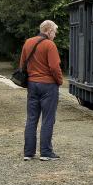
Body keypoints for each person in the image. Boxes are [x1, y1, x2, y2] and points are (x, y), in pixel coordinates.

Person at [21, 20, 63, 161]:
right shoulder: (49, 45)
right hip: (48, 86)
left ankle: (28, 153)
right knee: (48, 119)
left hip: (32, 84)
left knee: (31, 118)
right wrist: (60, 81)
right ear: (49, 30)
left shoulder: (28, 42)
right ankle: (45, 152)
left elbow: (22, 65)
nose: (55, 35)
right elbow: (54, 67)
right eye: (54, 32)